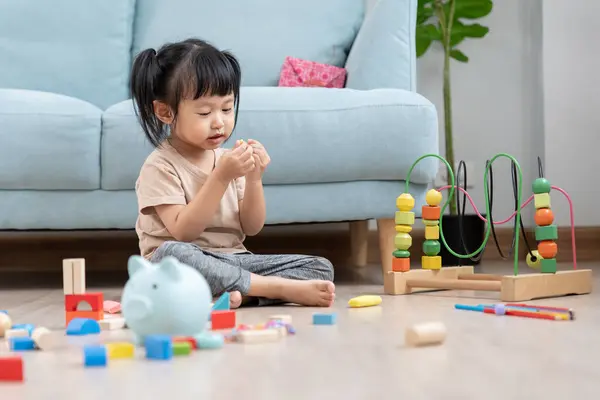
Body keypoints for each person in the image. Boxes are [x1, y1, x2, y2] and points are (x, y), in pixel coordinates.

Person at [129, 38, 335, 309]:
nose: (219, 122)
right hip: (176, 267)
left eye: (227, 108)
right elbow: (183, 232)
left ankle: (241, 293)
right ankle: (272, 288)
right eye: (204, 112)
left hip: (233, 260)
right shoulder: (160, 166)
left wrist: (254, 178)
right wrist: (220, 177)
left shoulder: (229, 159)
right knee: (172, 254)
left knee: (320, 268)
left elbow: (251, 227)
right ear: (165, 112)